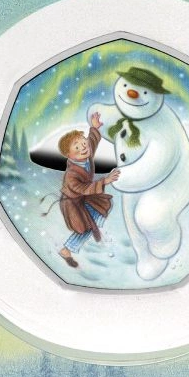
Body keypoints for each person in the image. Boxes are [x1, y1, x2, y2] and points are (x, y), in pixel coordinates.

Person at [57, 112, 120, 267]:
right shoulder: (71, 174)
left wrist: (94, 128)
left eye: (83, 142)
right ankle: (66, 250)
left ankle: (92, 228)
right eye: (77, 147)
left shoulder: (86, 155)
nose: (83, 147)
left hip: (84, 198)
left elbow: (92, 141)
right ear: (69, 155)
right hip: (72, 204)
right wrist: (105, 180)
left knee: (104, 205)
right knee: (84, 228)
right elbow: (83, 189)